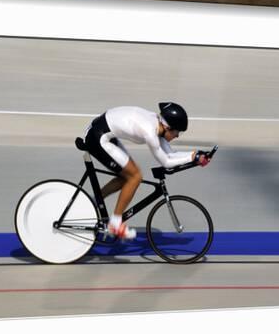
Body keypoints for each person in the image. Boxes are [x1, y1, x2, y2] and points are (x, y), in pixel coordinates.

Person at [83, 102, 210, 240]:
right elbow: (166, 162)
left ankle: (92, 200)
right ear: (168, 127)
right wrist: (192, 157)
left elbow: (171, 153)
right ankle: (115, 223)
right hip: (98, 138)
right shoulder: (150, 131)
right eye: (177, 132)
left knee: (127, 176)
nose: (177, 136)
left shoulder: (158, 125)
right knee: (135, 176)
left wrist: (195, 155)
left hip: (103, 131)